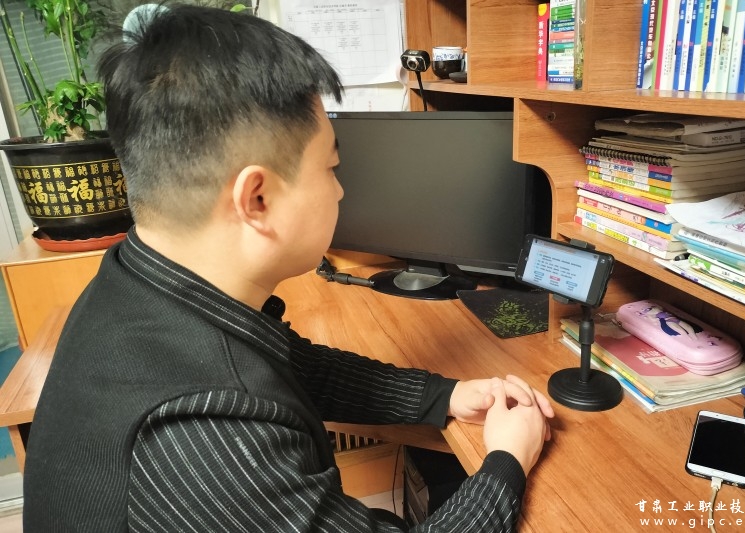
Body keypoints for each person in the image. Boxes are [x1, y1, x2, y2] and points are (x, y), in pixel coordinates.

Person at [22, 5, 554, 531]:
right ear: (256, 198)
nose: (341, 190)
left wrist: (443, 396)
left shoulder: (138, 279)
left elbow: (290, 366)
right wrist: (507, 460)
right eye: (331, 167)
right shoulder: (208, 430)